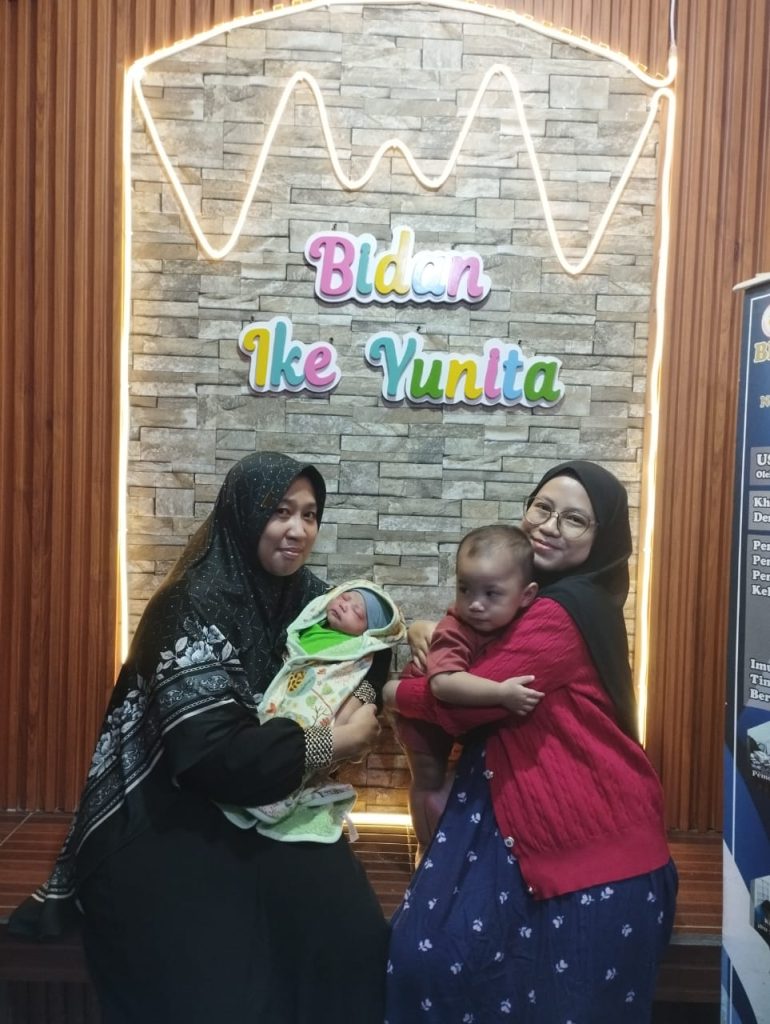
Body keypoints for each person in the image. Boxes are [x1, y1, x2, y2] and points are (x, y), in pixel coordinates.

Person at [9, 453, 390, 1024]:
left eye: (310, 515)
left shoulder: (308, 601)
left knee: (349, 933)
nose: (298, 529)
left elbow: (374, 647)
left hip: (273, 800)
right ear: (243, 513)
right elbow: (212, 756)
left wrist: (399, 656)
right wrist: (333, 744)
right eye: (280, 511)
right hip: (172, 806)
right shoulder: (189, 604)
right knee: (213, 973)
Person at [383, 460, 677, 1024]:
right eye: (542, 507)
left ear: (602, 538)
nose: (549, 526)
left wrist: (392, 691)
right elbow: (460, 641)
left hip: (595, 840)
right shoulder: (524, 598)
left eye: (574, 519)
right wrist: (427, 631)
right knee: (430, 960)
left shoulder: (563, 613)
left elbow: (461, 702)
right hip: (525, 824)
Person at [394, 524, 542, 859]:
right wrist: (501, 693)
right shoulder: (455, 629)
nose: (474, 604)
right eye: (464, 589)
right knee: (428, 779)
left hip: (461, 718)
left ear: (526, 596)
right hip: (422, 717)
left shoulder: (529, 619)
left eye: (491, 593)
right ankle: (425, 850)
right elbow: (443, 684)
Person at [220, 579, 405, 842]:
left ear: (368, 632)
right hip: (284, 691)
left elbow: (365, 686)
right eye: (345, 597)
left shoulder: (362, 651)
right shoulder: (306, 623)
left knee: (301, 736)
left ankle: (284, 794)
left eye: (357, 612)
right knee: (267, 730)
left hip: (319, 702)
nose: (345, 605)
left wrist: (355, 709)